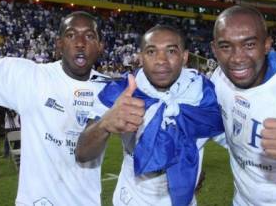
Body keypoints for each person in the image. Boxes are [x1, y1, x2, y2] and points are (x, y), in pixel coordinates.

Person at [76, 25, 224, 206]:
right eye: (151, 51)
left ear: (184, 57)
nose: (161, 60)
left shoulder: (203, 92)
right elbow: (82, 153)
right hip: (130, 200)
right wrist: (105, 124)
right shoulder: (121, 90)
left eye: (171, 51)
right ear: (140, 57)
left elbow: (232, 137)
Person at [0, 11, 106, 206]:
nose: (80, 42)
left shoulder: (110, 90)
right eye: (71, 35)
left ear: (100, 47)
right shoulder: (28, 77)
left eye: (90, 36)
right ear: (59, 44)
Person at [211, 5, 276, 206]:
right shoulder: (219, 80)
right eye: (226, 46)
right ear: (214, 49)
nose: (237, 58)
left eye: (249, 44)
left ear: (267, 44)